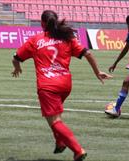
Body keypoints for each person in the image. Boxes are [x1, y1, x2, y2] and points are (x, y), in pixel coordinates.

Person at [11, 10, 112, 161]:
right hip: (65, 85)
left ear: (42, 23)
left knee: (54, 120)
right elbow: (88, 54)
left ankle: (78, 150)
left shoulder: (35, 40)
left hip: (47, 86)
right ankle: (59, 142)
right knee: (53, 116)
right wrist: (97, 72)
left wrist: (17, 67)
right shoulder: (67, 38)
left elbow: (16, 57)